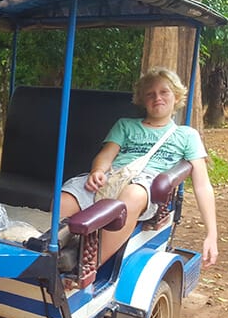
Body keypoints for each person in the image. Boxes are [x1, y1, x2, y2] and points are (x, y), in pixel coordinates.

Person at [59, 67, 218, 267]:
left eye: (164, 92)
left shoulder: (187, 135)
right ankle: (54, 251)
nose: (157, 98)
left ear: (176, 97)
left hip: (146, 183)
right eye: (150, 94)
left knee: (132, 194)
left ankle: (88, 265)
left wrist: (211, 234)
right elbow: (106, 155)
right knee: (64, 200)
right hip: (115, 176)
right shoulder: (125, 125)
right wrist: (97, 171)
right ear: (142, 100)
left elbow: (202, 185)